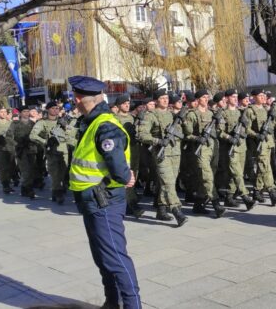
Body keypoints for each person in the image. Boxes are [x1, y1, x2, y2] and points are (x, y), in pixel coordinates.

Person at [66, 76, 141, 309]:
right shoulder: (90, 122)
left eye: (74, 98)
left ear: (79, 98)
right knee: (101, 256)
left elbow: (119, 170)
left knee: (115, 257)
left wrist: (126, 176)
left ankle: (132, 305)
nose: (74, 102)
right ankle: (112, 301)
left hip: (104, 200)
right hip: (90, 200)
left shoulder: (104, 125)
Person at [137, 90, 189, 226]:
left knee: (165, 182)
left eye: (167, 98)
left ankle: (161, 209)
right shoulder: (151, 115)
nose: (166, 100)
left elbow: (182, 133)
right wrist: (158, 141)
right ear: (156, 100)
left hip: (175, 152)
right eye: (162, 98)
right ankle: (177, 210)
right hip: (161, 153)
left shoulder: (173, 115)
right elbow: (142, 135)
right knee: (168, 182)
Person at [182, 89, 226, 217]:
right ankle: (216, 204)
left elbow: (220, 130)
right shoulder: (192, 114)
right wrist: (197, 138)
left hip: (214, 147)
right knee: (207, 176)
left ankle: (198, 203)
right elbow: (187, 134)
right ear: (198, 99)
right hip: (201, 149)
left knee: (210, 175)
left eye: (207, 97)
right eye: (203, 97)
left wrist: (219, 121)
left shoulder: (213, 113)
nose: (206, 99)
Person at [217, 89, 256, 210]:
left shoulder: (241, 112)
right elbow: (219, 132)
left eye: (236, 96)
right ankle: (246, 197)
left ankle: (229, 197)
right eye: (232, 96)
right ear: (227, 98)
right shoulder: (222, 113)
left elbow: (247, 130)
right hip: (230, 148)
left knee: (234, 174)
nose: (235, 98)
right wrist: (229, 137)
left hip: (241, 147)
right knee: (237, 173)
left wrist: (244, 130)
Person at [245, 88, 276, 205]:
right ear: (254, 97)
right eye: (260, 95)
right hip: (258, 143)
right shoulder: (249, 111)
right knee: (265, 167)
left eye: (264, 95)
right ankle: (272, 193)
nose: (263, 97)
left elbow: (272, 124)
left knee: (262, 167)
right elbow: (246, 129)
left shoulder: (267, 109)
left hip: (268, 142)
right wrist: (256, 135)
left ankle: (256, 191)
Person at [113, 94, 144, 218]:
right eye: (124, 103)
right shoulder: (114, 118)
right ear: (119, 105)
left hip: (134, 150)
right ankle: (128, 204)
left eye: (128, 103)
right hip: (122, 151)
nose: (127, 105)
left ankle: (130, 201)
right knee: (125, 177)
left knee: (133, 176)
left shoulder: (132, 117)